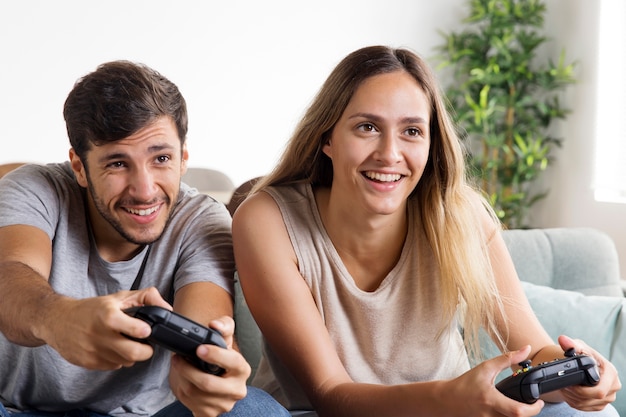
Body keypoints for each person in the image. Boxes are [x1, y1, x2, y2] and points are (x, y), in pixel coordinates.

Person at [231, 45, 621, 417]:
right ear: (327, 138)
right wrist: (450, 398)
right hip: (322, 412)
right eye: (367, 127)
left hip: (453, 410)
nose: (389, 153)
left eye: (412, 131)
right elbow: (332, 396)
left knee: (588, 410)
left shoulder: (460, 218)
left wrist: (580, 378)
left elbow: (534, 353)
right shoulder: (268, 220)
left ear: (431, 144)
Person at [0, 61, 289, 417]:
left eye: (161, 158)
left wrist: (209, 376)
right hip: (17, 411)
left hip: (147, 416)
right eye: (117, 164)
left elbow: (204, 324)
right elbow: (11, 276)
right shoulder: (33, 189)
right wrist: (58, 319)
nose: (144, 190)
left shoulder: (201, 220)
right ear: (79, 167)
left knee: (252, 409)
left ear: (183, 158)